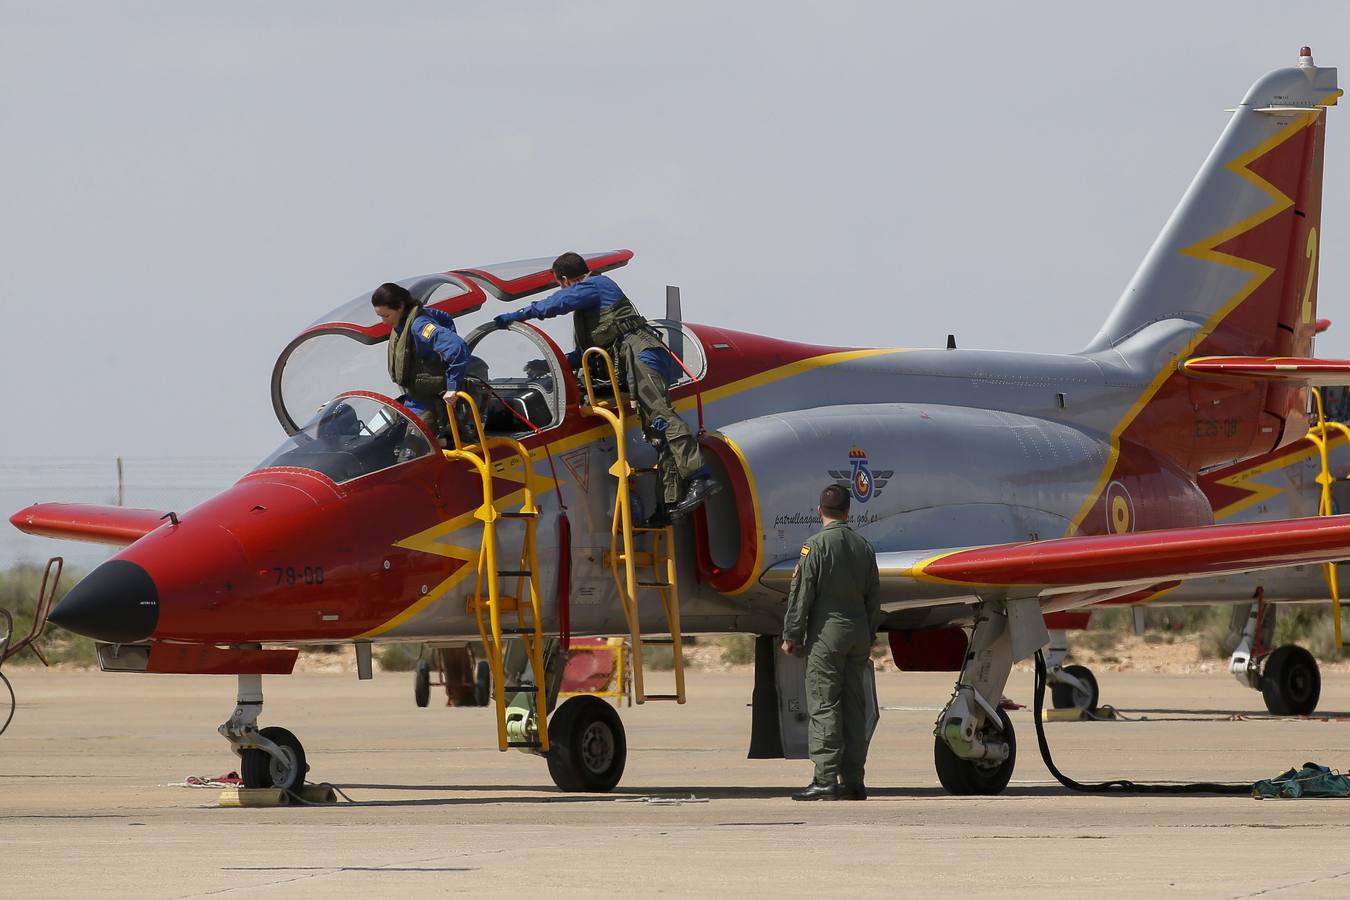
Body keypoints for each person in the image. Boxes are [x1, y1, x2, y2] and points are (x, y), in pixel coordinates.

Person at [492, 252, 716, 520]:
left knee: (660, 416)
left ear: (564, 280)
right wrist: (550, 363)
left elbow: (558, 303)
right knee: (655, 431)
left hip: (641, 353)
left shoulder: (596, 285)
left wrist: (521, 314)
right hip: (630, 358)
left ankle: (699, 477)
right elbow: (591, 351)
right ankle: (668, 506)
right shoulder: (591, 310)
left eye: (560, 284)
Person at [781, 484, 882, 801]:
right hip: (858, 634)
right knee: (854, 708)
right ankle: (854, 781)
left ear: (819, 512)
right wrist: (869, 633)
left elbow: (801, 597)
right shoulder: (863, 546)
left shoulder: (814, 547)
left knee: (824, 706)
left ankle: (825, 778)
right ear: (848, 511)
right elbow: (873, 599)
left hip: (827, 636)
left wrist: (792, 636)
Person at [371, 282, 483, 443]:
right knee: (376, 438)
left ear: (401, 307)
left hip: (430, 405)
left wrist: (452, 388)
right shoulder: (404, 324)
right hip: (413, 400)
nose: (383, 322)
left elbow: (457, 348)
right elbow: (442, 317)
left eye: (386, 316)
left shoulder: (419, 325)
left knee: (409, 453)